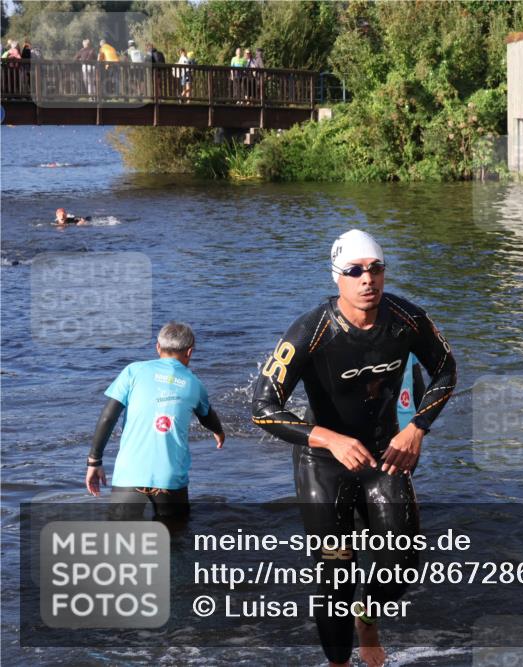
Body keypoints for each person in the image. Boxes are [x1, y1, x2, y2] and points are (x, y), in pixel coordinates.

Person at [251, 230, 457, 667]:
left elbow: (445, 370)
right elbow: (263, 407)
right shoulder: (311, 329)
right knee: (335, 575)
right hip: (323, 461)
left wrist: (417, 427)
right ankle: (340, 663)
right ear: (338, 278)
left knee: (403, 567)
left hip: (385, 454)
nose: (368, 279)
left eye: (376, 269)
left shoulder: (407, 319)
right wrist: (330, 438)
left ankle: (369, 617)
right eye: (356, 271)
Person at [86, 322, 225, 522]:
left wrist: (94, 461)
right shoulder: (195, 384)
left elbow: (109, 417)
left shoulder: (133, 371)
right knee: (174, 542)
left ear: (158, 347)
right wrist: (219, 432)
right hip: (170, 479)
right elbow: (207, 416)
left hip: (129, 475)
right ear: (190, 352)